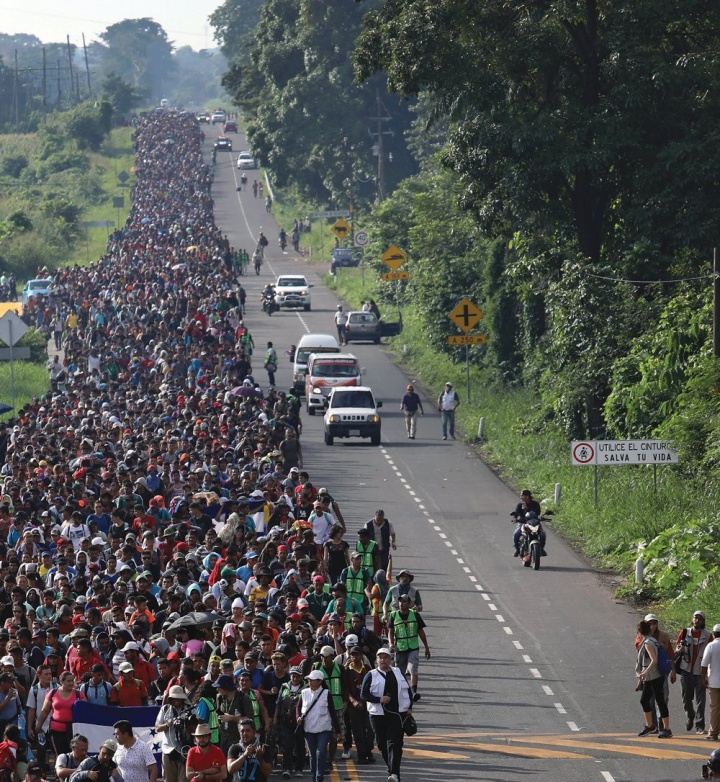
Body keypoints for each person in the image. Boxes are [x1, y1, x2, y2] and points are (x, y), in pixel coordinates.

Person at [360, 648, 412, 782]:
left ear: (390, 659)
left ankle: (395, 774)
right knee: (382, 744)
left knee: (394, 744)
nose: (383, 660)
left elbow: (407, 691)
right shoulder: (371, 675)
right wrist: (379, 699)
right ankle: (392, 770)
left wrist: (410, 707)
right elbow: (363, 694)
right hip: (377, 715)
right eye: (380, 657)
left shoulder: (398, 672)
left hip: (396, 714)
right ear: (376, 660)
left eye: (385, 657)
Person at [297, 670, 341, 782]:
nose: (310, 682)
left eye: (312, 680)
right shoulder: (304, 692)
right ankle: (313, 776)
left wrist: (337, 730)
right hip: (309, 729)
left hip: (324, 729)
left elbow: (332, 712)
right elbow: (298, 707)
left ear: (320, 681)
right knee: (312, 754)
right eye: (309, 680)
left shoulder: (326, 693)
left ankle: (319, 777)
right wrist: (298, 717)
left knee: (320, 752)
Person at [387, 594, 431, 702]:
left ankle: (414, 691)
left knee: (413, 668)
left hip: (413, 647)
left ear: (409, 603)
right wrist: (391, 644)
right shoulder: (393, 615)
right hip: (400, 647)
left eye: (405, 601)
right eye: (401, 601)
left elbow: (421, 632)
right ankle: (403, 692)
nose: (402, 603)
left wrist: (426, 648)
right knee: (400, 672)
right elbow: (390, 631)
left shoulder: (415, 614)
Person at [676, 610, 712, 734]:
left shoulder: (708, 635)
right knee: (686, 698)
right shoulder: (685, 632)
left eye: (700, 619)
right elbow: (677, 647)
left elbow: (712, 651)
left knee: (701, 701)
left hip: (700, 671)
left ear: (703, 622)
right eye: (695, 618)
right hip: (686, 669)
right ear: (692, 620)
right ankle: (690, 716)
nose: (697, 620)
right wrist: (680, 649)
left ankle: (700, 725)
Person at [636, 619, 672, 738]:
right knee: (649, 700)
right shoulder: (653, 640)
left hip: (654, 676)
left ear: (639, 631)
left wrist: (645, 672)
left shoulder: (647, 643)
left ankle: (664, 728)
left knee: (658, 701)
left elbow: (654, 660)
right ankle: (651, 726)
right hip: (655, 676)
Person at [37, 671, 85, 757]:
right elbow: (45, 711)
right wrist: (39, 725)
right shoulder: (52, 693)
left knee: (74, 755)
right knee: (60, 755)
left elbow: (86, 711)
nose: (71, 683)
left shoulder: (79, 695)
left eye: (72, 681)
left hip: (74, 731)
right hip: (56, 730)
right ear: (61, 681)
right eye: (68, 681)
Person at [155, 685, 190, 782]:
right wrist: (167, 724)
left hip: (185, 750)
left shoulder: (189, 709)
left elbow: (196, 728)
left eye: (178, 697)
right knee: (169, 779)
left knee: (184, 779)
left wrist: (186, 723)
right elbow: (157, 728)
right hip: (168, 750)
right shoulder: (165, 709)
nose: (176, 700)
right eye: (173, 697)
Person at [703, 625, 720, 741]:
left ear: (713, 634)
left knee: (715, 707)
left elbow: (704, 664)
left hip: (714, 682)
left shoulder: (711, 646)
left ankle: (713, 732)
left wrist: (703, 678)